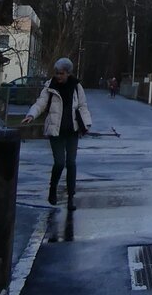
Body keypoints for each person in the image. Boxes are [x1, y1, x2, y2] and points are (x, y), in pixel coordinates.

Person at [22, 58, 92, 211]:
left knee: (71, 163)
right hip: (56, 130)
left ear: (68, 73)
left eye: (61, 73)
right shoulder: (50, 86)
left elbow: (83, 106)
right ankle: (53, 189)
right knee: (60, 162)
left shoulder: (76, 87)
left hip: (72, 130)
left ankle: (71, 197)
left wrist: (86, 124)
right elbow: (41, 103)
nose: (58, 76)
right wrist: (32, 114)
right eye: (57, 73)